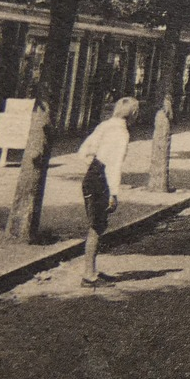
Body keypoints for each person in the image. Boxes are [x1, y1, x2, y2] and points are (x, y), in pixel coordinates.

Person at [77, 97, 140, 287]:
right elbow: (115, 165)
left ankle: (92, 270)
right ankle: (88, 275)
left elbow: (83, 151)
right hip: (101, 180)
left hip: (92, 176)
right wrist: (113, 193)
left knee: (97, 224)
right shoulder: (122, 132)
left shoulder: (105, 125)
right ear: (133, 114)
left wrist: (94, 167)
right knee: (97, 226)